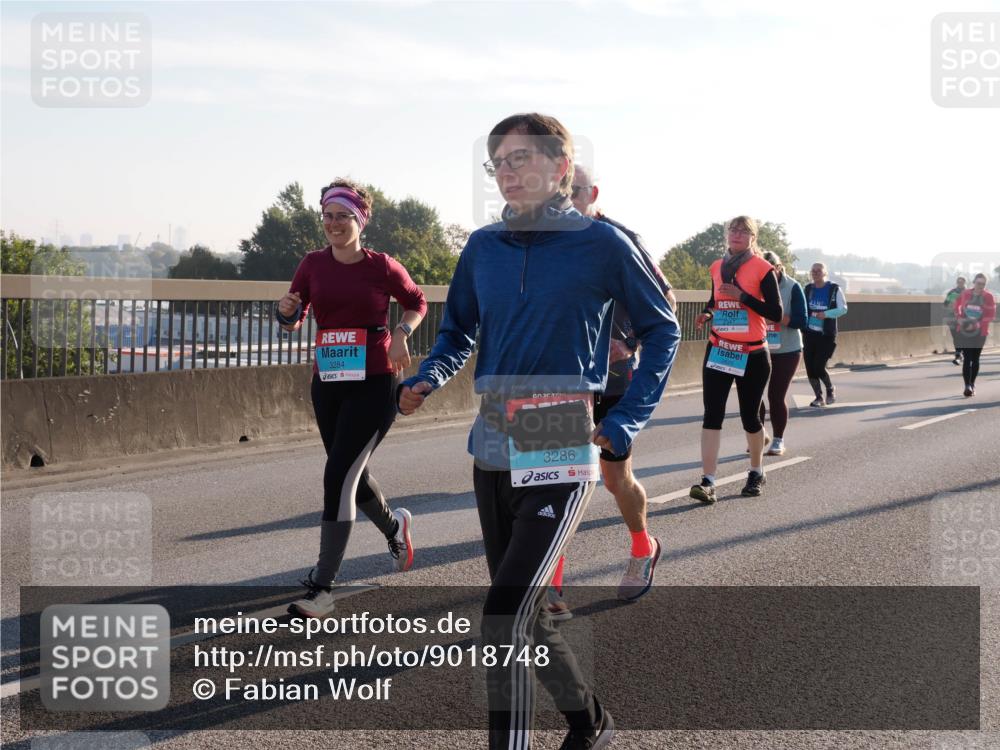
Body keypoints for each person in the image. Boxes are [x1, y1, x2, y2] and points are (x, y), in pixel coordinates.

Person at [399, 113, 680, 750]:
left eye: (520, 158)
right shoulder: (482, 247)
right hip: (493, 440)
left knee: (502, 617)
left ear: (560, 168)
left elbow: (663, 329)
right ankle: (590, 723)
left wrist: (626, 416)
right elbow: (458, 330)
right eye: (497, 161)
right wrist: (428, 376)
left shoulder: (603, 244)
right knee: (523, 613)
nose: (506, 171)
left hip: (559, 435)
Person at [275, 179, 427, 618]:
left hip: (375, 383)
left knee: (338, 475)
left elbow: (416, 301)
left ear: (360, 220)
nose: (334, 223)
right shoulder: (312, 264)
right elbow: (294, 316)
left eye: (343, 216)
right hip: (328, 383)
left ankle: (322, 587)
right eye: (328, 216)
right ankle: (395, 527)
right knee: (352, 477)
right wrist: (285, 313)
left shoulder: (382, 266)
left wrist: (401, 333)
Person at [543, 164, 675, 608]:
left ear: (593, 193)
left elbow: (667, 301)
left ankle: (643, 546)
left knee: (616, 479)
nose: (565, 199)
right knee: (554, 481)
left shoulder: (619, 239)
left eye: (574, 191)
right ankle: (552, 585)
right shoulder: (543, 240)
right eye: (558, 191)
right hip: (560, 380)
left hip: (614, 380)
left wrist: (628, 341)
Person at [689, 216, 783, 503]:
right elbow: (715, 300)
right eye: (733, 229)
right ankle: (708, 481)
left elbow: (776, 313)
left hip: (752, 354)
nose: (737, 234)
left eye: (744, 231)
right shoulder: (717, 266)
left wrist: (743, 297)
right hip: (720, 348)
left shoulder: (763, 269)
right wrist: (707, 313)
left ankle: (756, 471)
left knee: (749, 417)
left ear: (753, 237)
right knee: (712, 414)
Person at [757, 251, 807, 456]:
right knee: (753, 396)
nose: (765, 275)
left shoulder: (793, 287)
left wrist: (776, 318)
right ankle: (759, 435)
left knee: (775, 395)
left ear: (778, 268)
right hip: (759, 348)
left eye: (770, 270)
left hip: (787, 350)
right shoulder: (754, 285)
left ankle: (778, 440)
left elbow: (802, 321)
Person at [802, 262, 848, 407]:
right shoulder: (808, 289)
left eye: (819, 270)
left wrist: (826, 314)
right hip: (809, 334)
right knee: (810, 368)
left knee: (819, 366)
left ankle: (830, 388)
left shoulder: (834, 289)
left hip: (826, 335)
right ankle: (818, 397)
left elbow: (843, 309)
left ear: (825, 273)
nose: (815, 273)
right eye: (813, 271)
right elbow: (801, 307)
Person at [953, 273, 996, 397]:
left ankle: (972, 383)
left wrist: (977, 324)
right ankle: (967, 386)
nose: (980, 286)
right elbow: (956, 305)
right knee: (967, 358)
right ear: (974, 282)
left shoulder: (988, 296)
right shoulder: (965, 293)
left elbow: (991, 315)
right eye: (978, 283)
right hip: (965, 330)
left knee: (975, 359)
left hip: (980, 332)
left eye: (983, 284)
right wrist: (959, 318)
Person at [944, 277, 967, 365]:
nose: (960, 283)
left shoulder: (968, 293)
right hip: (952, 317)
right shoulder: (952, 292)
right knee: (956, 337)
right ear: (957, 283)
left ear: (965, 283)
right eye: (959, 282)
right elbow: (945, 304)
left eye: (962, 282)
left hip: (964, 318)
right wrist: (951, 304)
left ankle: (960, 354)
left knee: (962, 336)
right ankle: (959, 354)